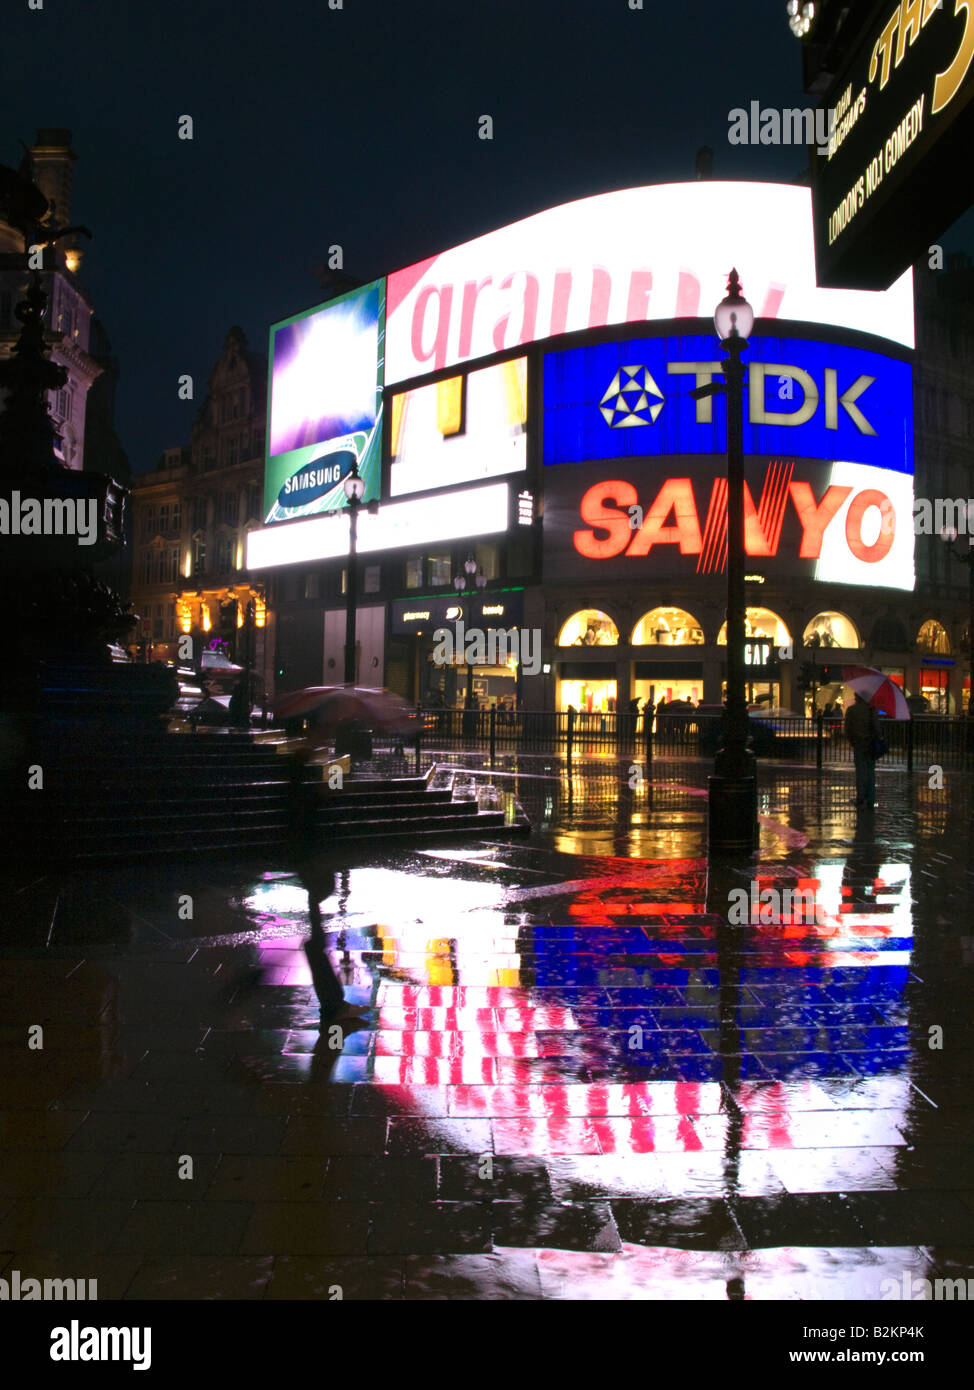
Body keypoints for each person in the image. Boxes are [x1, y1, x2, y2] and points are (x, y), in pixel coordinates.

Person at [844, 692, 881, 808]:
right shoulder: (871, 710)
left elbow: (847, 728)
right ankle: (871, 798)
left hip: (858, 744)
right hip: (870, 744)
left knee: (860, 771)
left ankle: (860, 797)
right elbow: (877, 728)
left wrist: (852, 741)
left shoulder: (851, 710)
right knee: (870, 771)